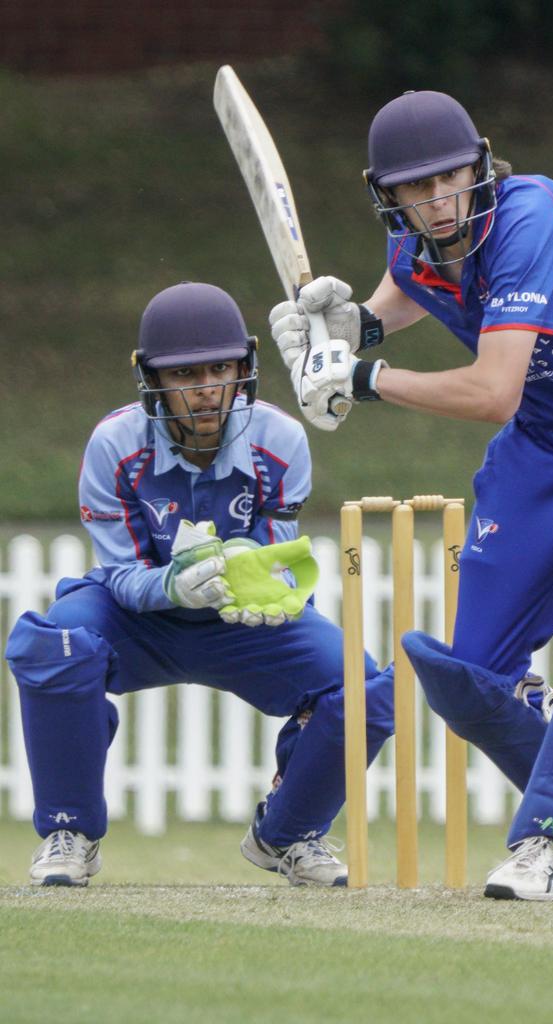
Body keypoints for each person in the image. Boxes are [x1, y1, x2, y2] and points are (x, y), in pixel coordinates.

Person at [270, 91, 553, 901]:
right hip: (545, 452)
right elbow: (411, 286)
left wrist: (364, 378)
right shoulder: (415, 239)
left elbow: (493, 392)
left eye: (449, 178)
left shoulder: (530, 218)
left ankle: (549, 838)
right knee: (469, 677)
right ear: (389, 194)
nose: (437, 200)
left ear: (480, 164)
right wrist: (350, 329)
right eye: (415, 188)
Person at [5, 281, 393, 887]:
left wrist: (274, 591)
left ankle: (288, 834)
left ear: (246, 366)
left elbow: (278, 554)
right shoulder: (114, 445)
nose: (207, 388)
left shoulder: (281, 440)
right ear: (150, 379)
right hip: (137, 618)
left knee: (363, 689)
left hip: (238, 624)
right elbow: (121, 573)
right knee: (51, 642)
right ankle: (69, 830)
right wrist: (175, 588)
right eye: (185, 374)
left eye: (220, 368)